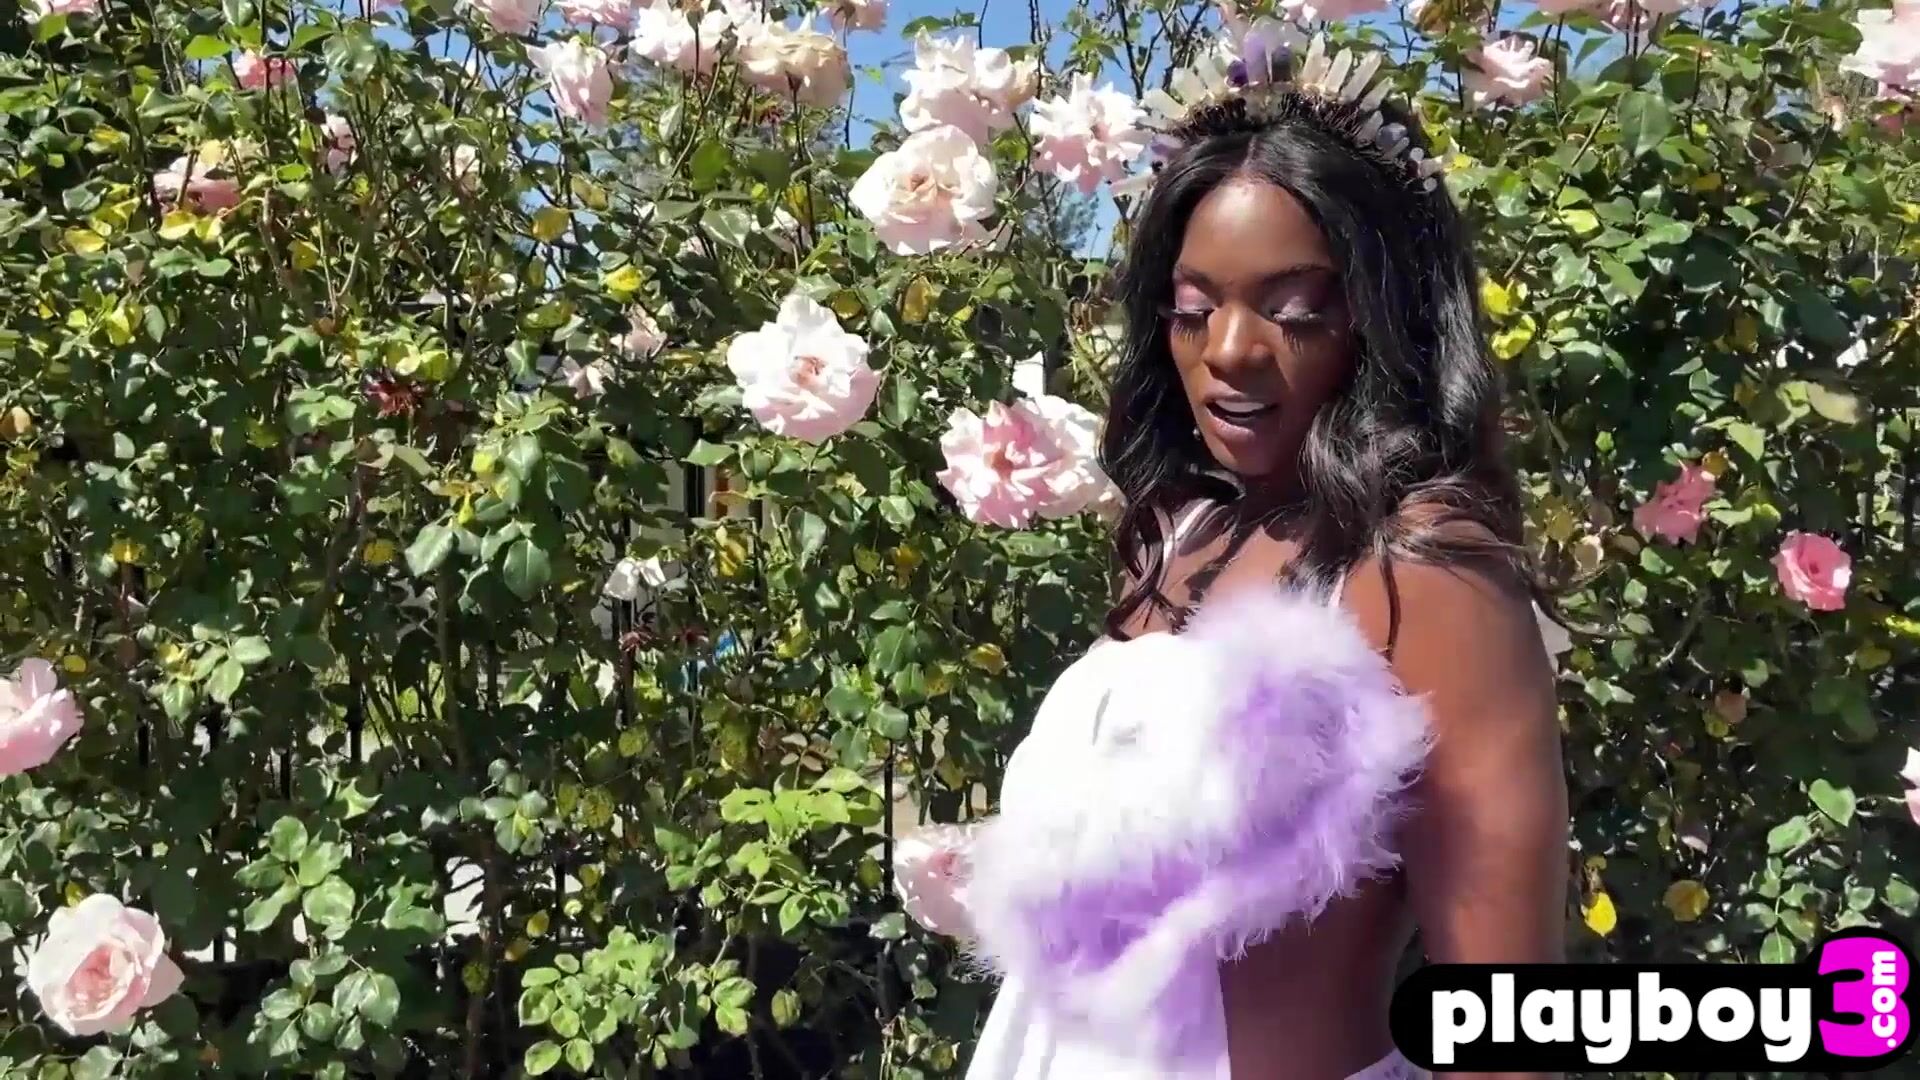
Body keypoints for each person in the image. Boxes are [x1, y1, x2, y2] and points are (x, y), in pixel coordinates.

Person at [892, 28, 1568, 1080]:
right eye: (1194, 309)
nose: (1229, 350)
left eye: (1293, 310)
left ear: (1384, 316)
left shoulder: (1425, 577)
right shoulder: (1182, 537)